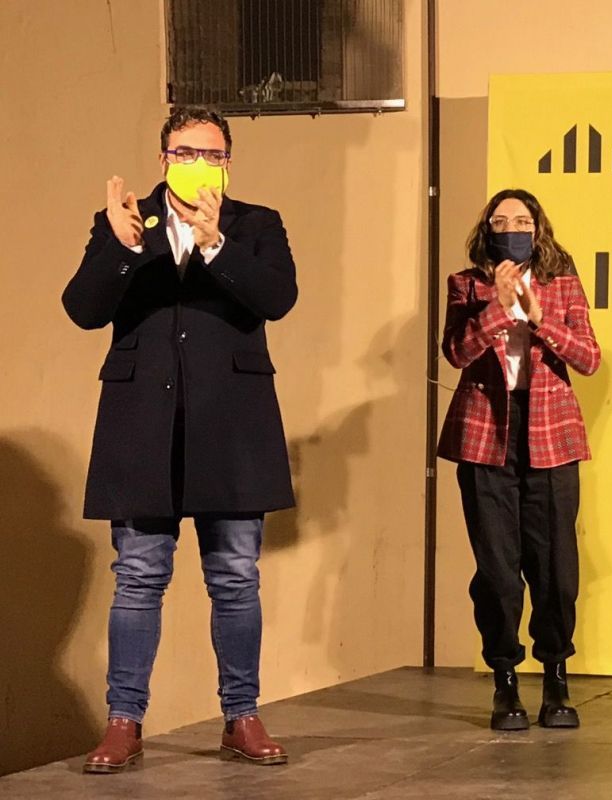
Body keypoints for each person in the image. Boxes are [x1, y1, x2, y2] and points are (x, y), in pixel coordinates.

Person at [64, 106, 297, 773]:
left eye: (213, 153)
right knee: (138, 576)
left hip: (232, 422)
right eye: (185, 151)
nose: (200, 162)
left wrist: (217, 243)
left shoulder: (257, 224)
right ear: (164, 158)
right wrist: (120, 245)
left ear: (229, 161)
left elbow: (277, 298)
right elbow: (84, 310)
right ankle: (123, 721)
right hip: (143, 424)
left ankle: (242, 716)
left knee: (234, 576)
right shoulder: (125, 222)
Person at [439, 189, 599, 731]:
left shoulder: (563, 283)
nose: (512, 227)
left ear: (538, 229)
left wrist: (538, 318)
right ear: (487, 229)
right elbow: (456, 353)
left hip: (551, 440)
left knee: (555, 572)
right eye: (501, 220)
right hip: (486, 439)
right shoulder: (466, 284)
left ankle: (556, 676)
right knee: (499, 573)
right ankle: (505, 679)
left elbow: (589, 357)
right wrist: (496, 311)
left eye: (522, 220)